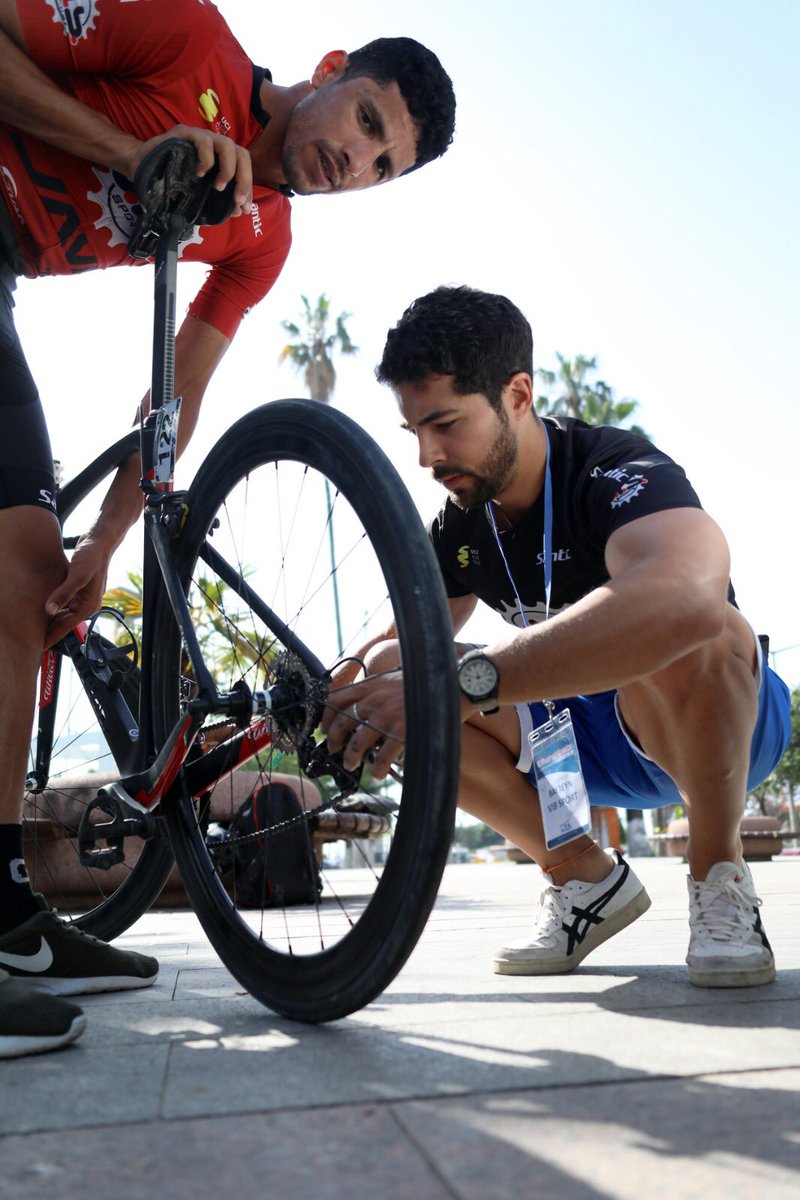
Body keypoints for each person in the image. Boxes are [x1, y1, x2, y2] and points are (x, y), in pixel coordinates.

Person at [0, 0, 455, 1056]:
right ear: (333, 69)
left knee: (29, 585)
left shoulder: (264, 231)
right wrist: (132, 150)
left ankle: (11, 917)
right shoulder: (180, 30)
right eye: (368, 119)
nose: (358, 157)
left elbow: (177, 394)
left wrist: (108, 541)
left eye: (382, 164)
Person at [323, 284, 791, 990]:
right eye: (414, 431)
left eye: (445, 423)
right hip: (582, 740)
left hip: (716, 721)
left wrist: (463, 685)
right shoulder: (462, 520)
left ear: (516, 394)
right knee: (396, 673)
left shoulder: (615, 470)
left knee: (696, 624)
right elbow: (403, 643)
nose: (427, 455)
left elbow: (686, 596)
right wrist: (345, 678)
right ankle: (584, 880)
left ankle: (719, 875)